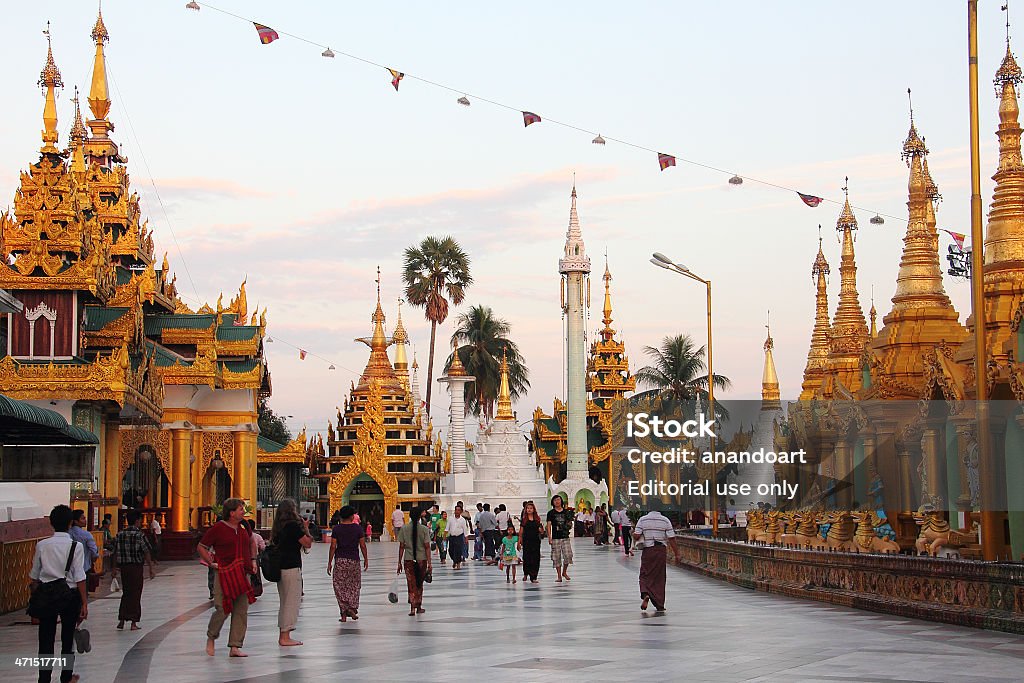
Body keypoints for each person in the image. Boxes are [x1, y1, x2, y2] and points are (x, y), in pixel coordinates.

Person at [29, 504, 87, 683]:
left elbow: (34, 576)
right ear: (71, 523)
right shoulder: (75, 546)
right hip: (69, 595)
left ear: (51, 523)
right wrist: (84, 602)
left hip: (47, 594)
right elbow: (79, 575)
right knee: (67, 638)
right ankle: (66, 676)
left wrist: (34, 599)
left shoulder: (42, 545)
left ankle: (44, 678)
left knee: (45, 639)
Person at [198, 498, 257, 657]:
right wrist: (211, 563)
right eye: (240, 509)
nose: (243, 511)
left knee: (241, 610)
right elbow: (202, 547)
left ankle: (235, 646)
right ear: (231, 513)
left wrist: (253, 560)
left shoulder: (244, 526)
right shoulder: (218, 528)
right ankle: (212, 636)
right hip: (224, 572)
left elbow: (252, 542)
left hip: (242, 572)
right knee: (223, 608)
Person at [271, 498, 313, 646]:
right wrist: (306, 528)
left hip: (279, 568)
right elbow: (307, 544)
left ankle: (283, 634)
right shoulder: (293, 526)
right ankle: (285, 636)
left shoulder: (278, 526)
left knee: (284, 602)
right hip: (291, 567)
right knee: (291, 603)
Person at [110, 510, 156, 630]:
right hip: (136, 567)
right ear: (137, 520)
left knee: (126, 593)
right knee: (136, 594)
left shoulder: (120, 534)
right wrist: (150, 567)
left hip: (124, 568)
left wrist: (114, 568)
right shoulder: (139, 535)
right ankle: (133, 622)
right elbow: (146, 551)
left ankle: (121, 619)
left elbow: (115, 553)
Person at [633, 508, 682, 611]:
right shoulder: (665, 520)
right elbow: (671, 538)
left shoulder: (643, 519)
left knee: (645, 573)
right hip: (660, 550)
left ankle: (646, 593)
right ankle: (659, 603)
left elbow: (637, 535)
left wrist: (635, 535)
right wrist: (677, 554)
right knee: (659, 577)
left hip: (648, 550)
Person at [328, 505, 368, 621]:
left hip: (340, 560)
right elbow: (362, 545)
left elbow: (333, 546)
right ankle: (352, 607)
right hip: (354, 560)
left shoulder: (337, 529)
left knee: (339, 585)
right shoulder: (358, 529)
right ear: (352, 516)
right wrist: (365, 559)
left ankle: (344, 613)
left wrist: (330, 562)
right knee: (354, 585)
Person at [397, 505, 432, 615]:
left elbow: (402, 546)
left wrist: (399, 562)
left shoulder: (404, 529)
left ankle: (412, 607)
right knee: (419, 584)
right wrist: (430, 563)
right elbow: (427, 546)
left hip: (409, 560)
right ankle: (418, 606)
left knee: (411, 584)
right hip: (421, 559)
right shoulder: (424, 529)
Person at [546, 495, 574, 582]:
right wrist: (549, 537)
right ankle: (559, 576)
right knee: (556, 557)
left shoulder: (566, 512)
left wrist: (568, 526)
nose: (557, 502)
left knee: (568, 555)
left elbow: (570, 523)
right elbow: (549, 525)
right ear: (552, 502)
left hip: (565, 536)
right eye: (555, 500)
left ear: (561, 501)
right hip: (555, 537)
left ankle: (564, 572)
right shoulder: (551, 513)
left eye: (558, 500)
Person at [69, 509, 99, 590]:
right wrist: (92, 559)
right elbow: (94, 551)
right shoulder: (86, 535)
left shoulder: (68, 533)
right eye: (83, 518)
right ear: (76, 521)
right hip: (84, 567)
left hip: (69, 569)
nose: (85, 520)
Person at [518, 501, 544, 584]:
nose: (529, 510)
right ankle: (526, 573)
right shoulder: (524, 520)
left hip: (535, 541)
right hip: (526, 541)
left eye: (531, 508)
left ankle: (534, 576)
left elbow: (541, 531)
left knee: (535, 559)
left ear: (534, 510)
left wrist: (541, 530)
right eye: (528, 508)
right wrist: (519, 542)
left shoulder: (537, 519)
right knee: (527, 558)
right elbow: (521, 532)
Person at [447, 503, 469, 569]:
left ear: (461, 511)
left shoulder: (462, 520)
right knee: (451, 550)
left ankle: (458, 563)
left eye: (458, 510)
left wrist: (466, 538)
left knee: (458, 550)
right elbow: (447, 528)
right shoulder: (450, 518)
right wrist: (445, 537)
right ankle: (454, 560)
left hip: (459, 537)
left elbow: (465, 529)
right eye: (456, 510)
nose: (457, 511)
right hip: (452, 537)